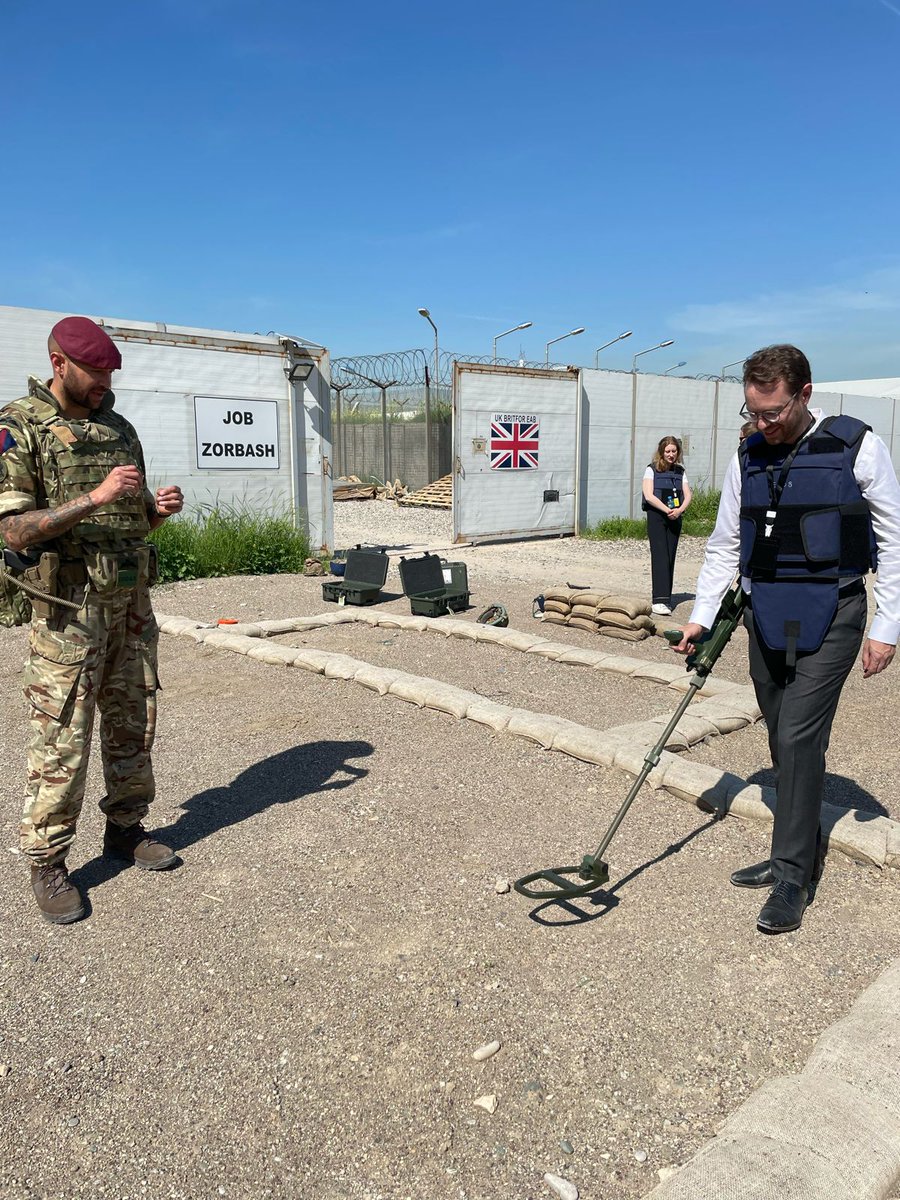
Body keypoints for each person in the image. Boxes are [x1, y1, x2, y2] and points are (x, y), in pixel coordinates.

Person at [675, 344, 900, 934]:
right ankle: (790, 847)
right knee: (779, 729)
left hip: (836, 610)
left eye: (773, 413)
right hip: (766, 612)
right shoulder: (747, 454)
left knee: (799, 733)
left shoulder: (858, 446)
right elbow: (726, 543)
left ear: (804, 393)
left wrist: (887, 626)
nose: (762, 424)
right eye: (753, 412)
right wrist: (700, 615)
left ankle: (793, 876)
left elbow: (895, 540)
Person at [0, 316, 185, 925]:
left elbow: (131, 524)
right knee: (61, 737)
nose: (105, 382)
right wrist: (95, 498)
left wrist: (155, 512)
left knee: (134, 720)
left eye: (109, 373)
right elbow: (12, 529)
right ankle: (48, 861)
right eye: (95, 372)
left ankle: (126, 829)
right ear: (59, 364)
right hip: (68, 614)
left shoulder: (118, 428)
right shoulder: (18, 426)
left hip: (129, 607)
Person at [642, 435, 692, 616]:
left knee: (670, 556)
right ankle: (659, 600)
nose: (671, 454)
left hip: (675, 517)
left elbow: (688, 495)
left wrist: (679, 511)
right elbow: (649, 495)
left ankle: (666, 598)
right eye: (667, 451)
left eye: (674, 451)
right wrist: (667, 510)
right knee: (660, 555)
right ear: (661, 452)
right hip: (657, 516)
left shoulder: (680, 471)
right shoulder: (651, 470)